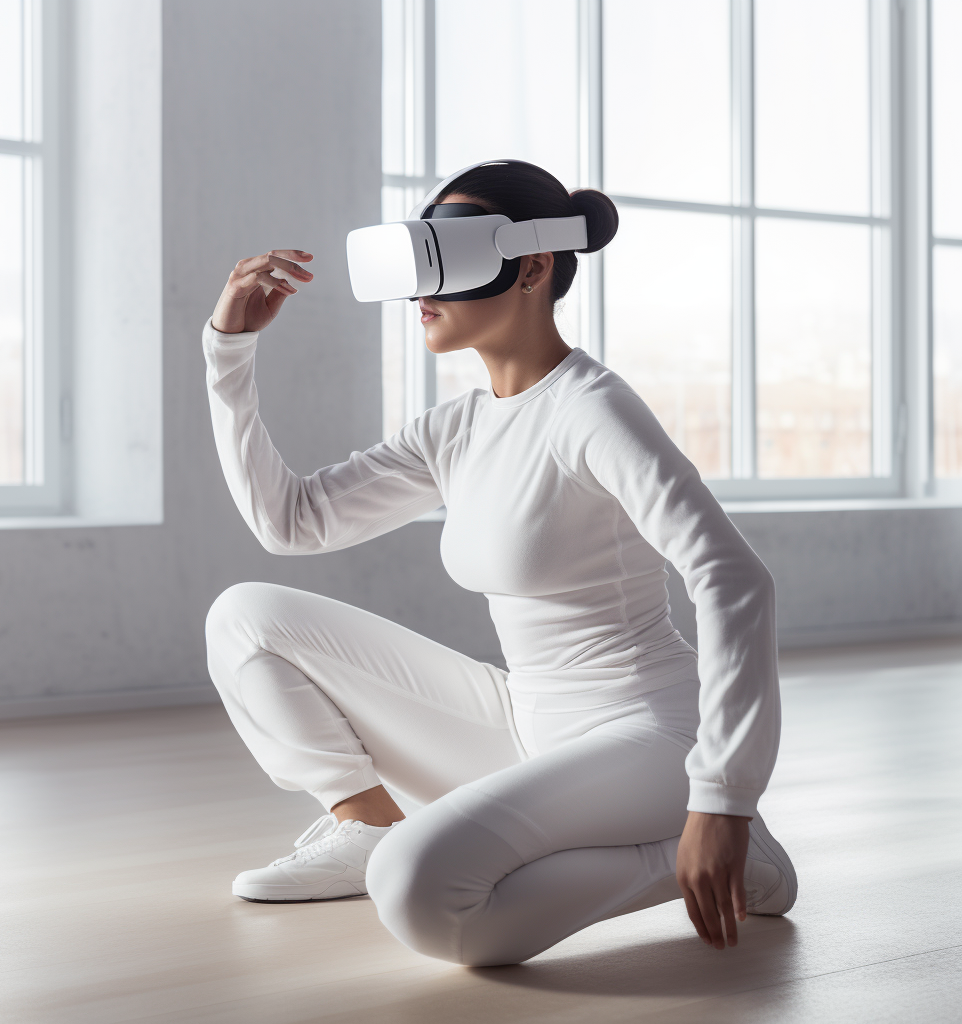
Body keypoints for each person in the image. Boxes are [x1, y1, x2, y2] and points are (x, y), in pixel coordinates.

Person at [202, 160, 796, 968]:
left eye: (448, 257)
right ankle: (366, 823)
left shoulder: (592, 411)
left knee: (419, 894)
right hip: (524, 722)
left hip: (649, 734)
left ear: (535, 266)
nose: (422, 291)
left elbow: (732, 578)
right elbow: (291, 522)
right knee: (245, 618)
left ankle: (721, 854)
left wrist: (723, 799)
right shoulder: (456, 427)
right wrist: (229, 353)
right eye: (419, 261)